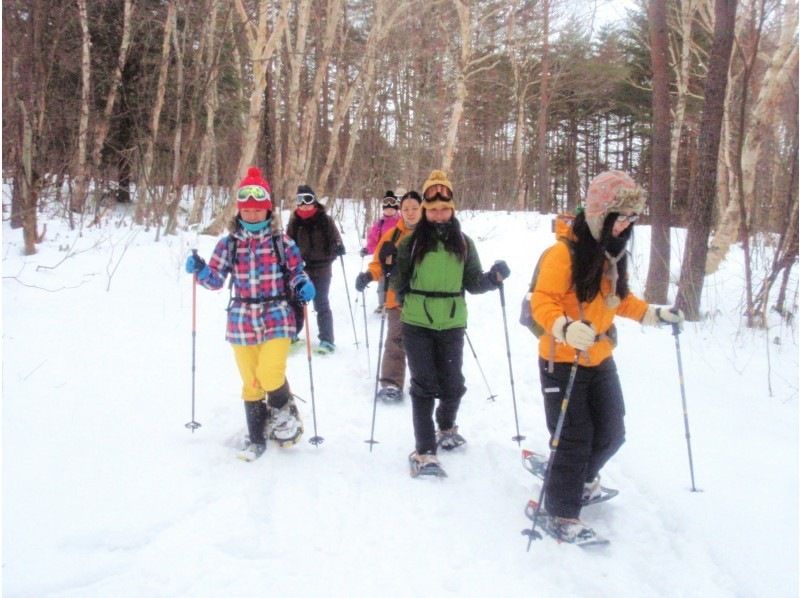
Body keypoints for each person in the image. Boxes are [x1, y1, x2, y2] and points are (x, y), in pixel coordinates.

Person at [530, 170, 684, 543]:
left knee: (613, 433)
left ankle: (576, 479)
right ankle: (561, 511)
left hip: (599, 356)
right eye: (622, 218)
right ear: (602, 216)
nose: (627, 225)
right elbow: (541, 301)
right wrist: (564, 327)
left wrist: (652, 313)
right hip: (562, 358)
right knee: (574, 437)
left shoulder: (610, 255)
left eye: (633, 218)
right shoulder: (562, 253)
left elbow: (618, 300)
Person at [185, 167, 315, 460]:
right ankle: (257, 437)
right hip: (242, 319)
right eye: (248, 210)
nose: (253, 215)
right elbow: (215, 280)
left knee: (270, 373)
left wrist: (303, 284)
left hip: (278, 315)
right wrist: (201, 270)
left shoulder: (283, 244)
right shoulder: (228, 244)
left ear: (268, 211)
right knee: (251, 381)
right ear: (240, 211)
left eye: (259, 210)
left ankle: (287, 415)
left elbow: (296, 273)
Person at [389, 170, 510, 476]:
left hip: (453, 322)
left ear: (453, 209)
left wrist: (493, 279)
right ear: (425, 211)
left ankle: (446, 427)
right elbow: (397, 284)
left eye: (444, 209)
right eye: (433, 210)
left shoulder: (464, 243)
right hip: (417, 323)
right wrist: (392, 266)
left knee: (453, 385)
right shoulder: (411, 244)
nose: (439, 215)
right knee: (424, 385)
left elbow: (473, 282)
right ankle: (425, 451)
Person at [354, 191, 423, 402]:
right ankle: (391, 384)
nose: (410, 213)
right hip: (397, 300)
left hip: (426, 300)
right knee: (395, 341)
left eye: (414, 208)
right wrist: (368, 275)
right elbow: (378, 263)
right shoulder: (392, 235)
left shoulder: (432, 233)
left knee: (426, 343)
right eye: (406, 209)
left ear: (422, 208)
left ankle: (428, 382)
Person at [286, 184, 345, 355]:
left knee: (321, 303)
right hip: (301, 268)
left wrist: (338, 249)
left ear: (314, 201)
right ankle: (293, 334)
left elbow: (335, 239)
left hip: (322, 267)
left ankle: (327, 340)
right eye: (300, 200)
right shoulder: (295, 221)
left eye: (308, 200)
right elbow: (288, 244)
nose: (304, 204)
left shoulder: (325, 220)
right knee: (296, 301)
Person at [361, 190, 401, 312]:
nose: (389, 210)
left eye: (392, 208)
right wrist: (367, 249)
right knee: (383, 282)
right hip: (383, 257)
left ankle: (397, 302)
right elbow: (373, 240)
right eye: (386, 208)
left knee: (396, 281)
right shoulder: (379, 224)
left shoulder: (401, 222)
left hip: (398, 256)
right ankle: (382, 303)